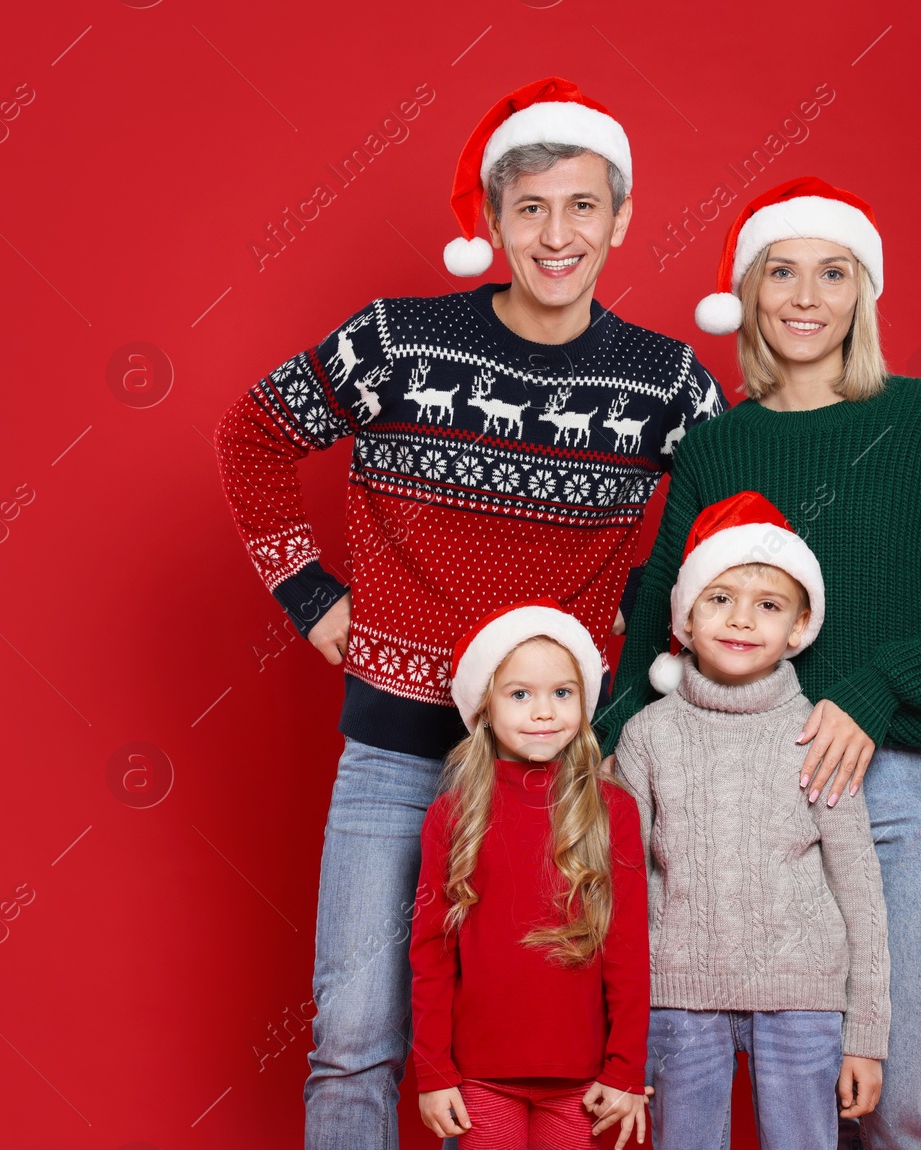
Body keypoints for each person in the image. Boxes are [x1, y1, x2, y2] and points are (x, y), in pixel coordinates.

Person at [213, 76, 726, 1149]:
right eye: (529, 207)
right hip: (399, 747)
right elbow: (252, 433)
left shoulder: (667, 383)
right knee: (354, 1031)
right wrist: (310, 593)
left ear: (621, 218)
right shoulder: (396, 341)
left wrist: (633, 651)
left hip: (563, 776)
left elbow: (719, 540)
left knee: (567, 1036)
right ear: (490, 221)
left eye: (582, 205)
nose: (556, 233)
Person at [593, 176, 921, 1150]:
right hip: (743, 802)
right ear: (746, 292)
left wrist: (871, 692)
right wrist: (597, 765)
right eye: (780, 271)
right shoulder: (717, 445)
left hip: (904, 793)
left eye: (832, 273)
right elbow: (657, 626)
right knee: (728, 1096)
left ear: (862, 293)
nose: (803, 296)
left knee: (894, 1094)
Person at [612, 490, 890, 1150]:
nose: (742, 620)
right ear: (684, 617)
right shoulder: (647, 737)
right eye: (719, 598)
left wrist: (867, 1035)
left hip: (804, 998)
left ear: (798, 627)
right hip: (677, 998)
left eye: (767, 605)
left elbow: (861, 891)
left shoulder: (818, 733)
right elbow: (620, 887)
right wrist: (619, 1029)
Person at [410, 600, 649, 1149]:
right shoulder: (453, 813)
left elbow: (629, 946)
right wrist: (434, 1071)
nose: (544, 712)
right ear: (485, 707)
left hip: (583, 1081)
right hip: (480, 1078)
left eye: (562, 694)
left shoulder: (613, 810)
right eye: (520, 694)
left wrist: (624, 1068)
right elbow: (430, 951)